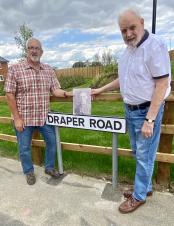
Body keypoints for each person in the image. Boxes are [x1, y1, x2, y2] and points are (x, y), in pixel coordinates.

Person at [92, 9, 171, 213]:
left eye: (132, 28)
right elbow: (124, 79)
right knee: (139, 153)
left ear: (142, 23)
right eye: (123, 30)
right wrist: (100, 89)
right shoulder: (128, 51)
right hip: (130, 111)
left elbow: (162, 83)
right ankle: (145, 187)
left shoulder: (155, 46)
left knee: (144, 155)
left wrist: (150, 120)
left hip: (147, 111)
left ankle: (139, 196)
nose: (128, 34)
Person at [5, 38, 72, 185]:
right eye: (31, 48)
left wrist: (68, 94)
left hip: (44, 117)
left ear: (41, 51)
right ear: (27, 50)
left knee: (52, 142)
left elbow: (55, 89)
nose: (34, 50)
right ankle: (28, 171)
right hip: (24, 118)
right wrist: (16, 118)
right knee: (24, 148)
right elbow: (9, 94)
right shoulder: (15, 69)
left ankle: (48, 167)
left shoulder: (48, 70)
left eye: (37, 48)